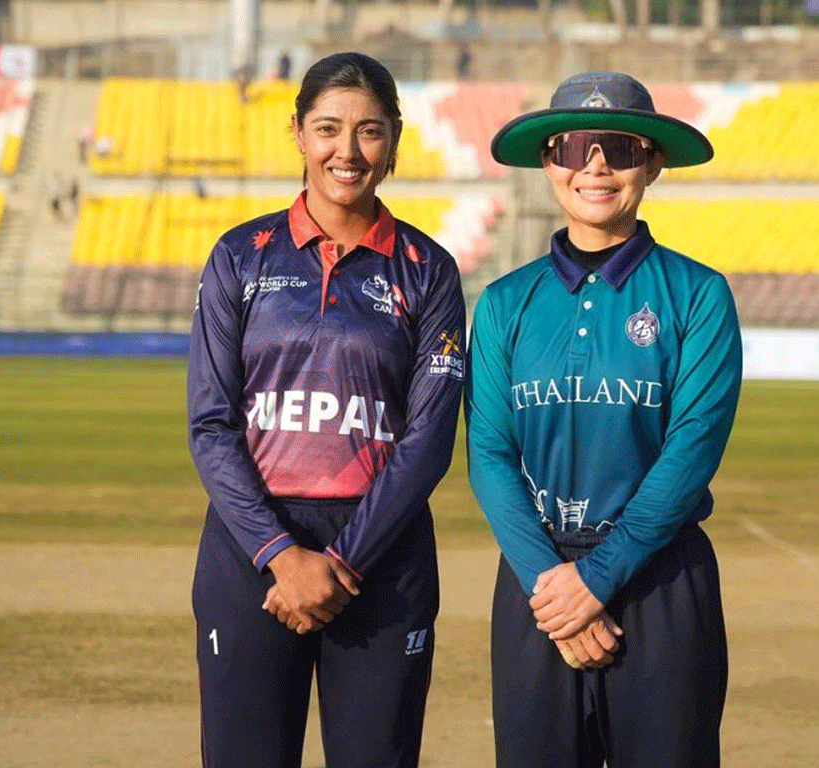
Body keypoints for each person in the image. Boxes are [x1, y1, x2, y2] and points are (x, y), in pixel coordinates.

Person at [188, 51, 466, 768]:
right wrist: (282, 556)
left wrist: (341, 562)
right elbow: (211, 426)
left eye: (370, 131)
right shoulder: (239, 256)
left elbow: (429, 438)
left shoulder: (428, 269)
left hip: (381, 556)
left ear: (394, 139)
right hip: (253, 552)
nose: (348, 151)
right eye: (328, 128)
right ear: (298, 133)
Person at [465, 71, 742, 768]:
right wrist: (553, 587)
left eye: (618, 149)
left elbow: (690, 452)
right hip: (537, 582)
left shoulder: (699, 294)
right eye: (574, 148)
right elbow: (489, 454)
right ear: (548, 161)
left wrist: (597, 579)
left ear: (652, 163)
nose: (595, 167)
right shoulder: (503, 303)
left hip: (659, 580)